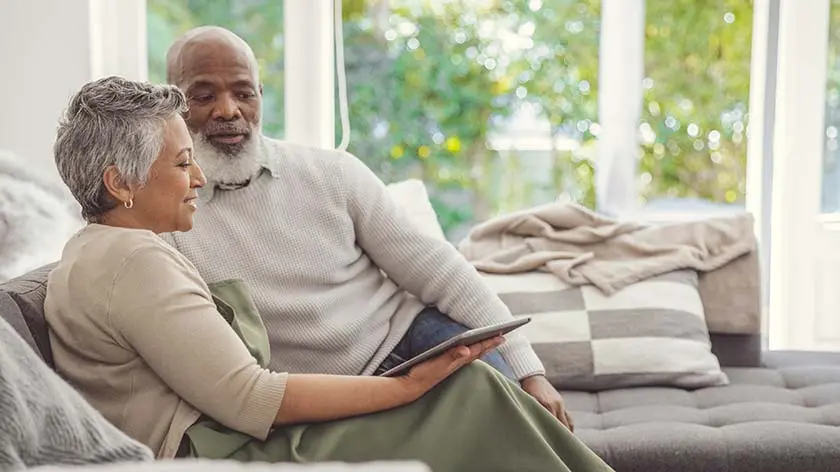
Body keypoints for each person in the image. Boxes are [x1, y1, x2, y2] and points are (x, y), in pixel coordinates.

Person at [43, 76, 613, 472]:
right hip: (221, 451)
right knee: (471, 393)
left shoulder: (100, 250)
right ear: (120, 183)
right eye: (182, 162)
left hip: (227, 436)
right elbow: (249, 396)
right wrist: (406, 387)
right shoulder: (136, 261)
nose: (197, 178)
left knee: (474, 389)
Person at [162, 25, 574, 430]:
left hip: (415, 340)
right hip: (328, 398)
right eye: (204, 96)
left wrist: (529, 371)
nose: (228, 110)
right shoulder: (165, 221)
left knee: (525, 427)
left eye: (243, 93)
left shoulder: (333, 172)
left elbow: (439, 271)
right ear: (173, 105)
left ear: (260, 96)